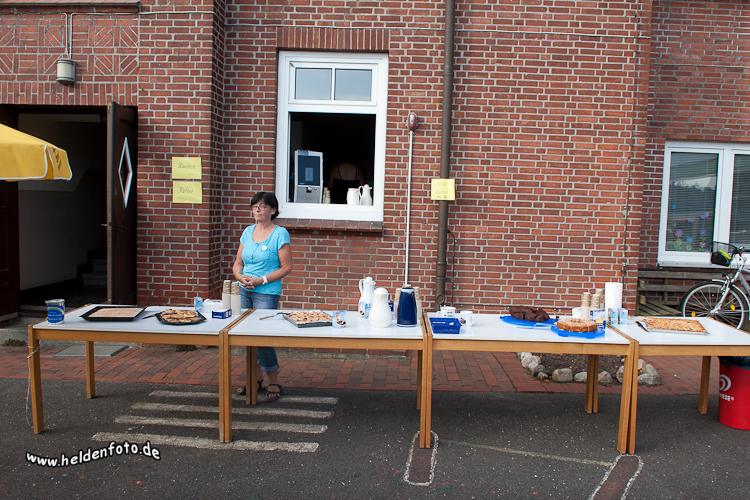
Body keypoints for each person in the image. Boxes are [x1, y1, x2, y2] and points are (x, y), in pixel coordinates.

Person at [232, 192, 293, 401]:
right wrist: (239, 276)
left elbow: (286, 267)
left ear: (273, 210)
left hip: (266, 292)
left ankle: (273, 381)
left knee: (263, 337)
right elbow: (238, 262)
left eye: (263, 206)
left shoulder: (280, 233)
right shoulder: (248, 232)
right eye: (254, 206)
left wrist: (261, 280)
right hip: (244, 290)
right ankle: (255, 380)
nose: (257, 209)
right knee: (247, 337)